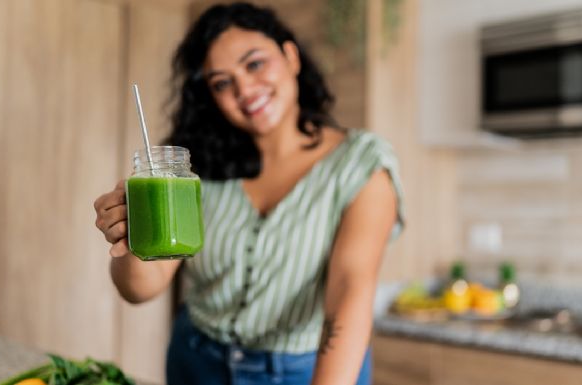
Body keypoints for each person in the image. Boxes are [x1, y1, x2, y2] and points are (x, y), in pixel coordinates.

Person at [93, 2, 404, 385]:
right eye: (222, 82)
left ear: (290, 56)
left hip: (305, 371)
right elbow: (142, 287)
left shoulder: (361, 164)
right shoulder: (194, 170)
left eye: (254, 64)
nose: (244, 89)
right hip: (196, 362)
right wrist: (131, 237)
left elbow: (349, 292)